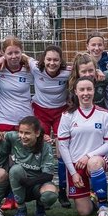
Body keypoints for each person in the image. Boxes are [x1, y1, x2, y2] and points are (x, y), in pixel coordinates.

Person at [58, 76, 108, 216]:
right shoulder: (67, 116)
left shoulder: (104, 114)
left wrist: (88, 156)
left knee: (94, 163)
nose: (86, 93)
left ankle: (103, 206)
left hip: (96, 160)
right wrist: (73, 173)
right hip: (75, 165)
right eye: (82, 89)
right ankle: (93, 196)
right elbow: (63, 147)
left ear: (94, 91)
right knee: (84, 211)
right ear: (76, 92)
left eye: (89, 89)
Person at [30, 45, 72, 206]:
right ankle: (40, 191)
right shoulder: (35, 68)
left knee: (62, 148)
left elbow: (82, 68)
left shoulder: (67, 72)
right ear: (43, 60)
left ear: (60, 61)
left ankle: (62, 191)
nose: (52, 63)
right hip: (41, 112)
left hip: (61, 112)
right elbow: (25, 58)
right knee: (41, 148)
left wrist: (97, 71)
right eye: (49, 59)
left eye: (55, 59)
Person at [6, 115, 60, 216]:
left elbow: (48, 175)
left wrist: (30, 182)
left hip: (36, 185)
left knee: (50, 195)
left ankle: (40, 206)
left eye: (27, 133)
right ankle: (21, 209)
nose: (22, 136)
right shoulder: (13, 137)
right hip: (18, 184)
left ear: (37, 133)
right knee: (15, 170)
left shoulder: (45, 146)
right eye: (21, 132)